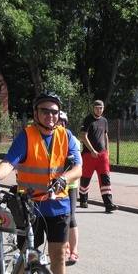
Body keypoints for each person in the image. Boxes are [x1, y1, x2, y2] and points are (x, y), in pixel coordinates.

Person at [0, 92, 82, 274]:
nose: (50, 115)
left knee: (58, 256)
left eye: (54, 111)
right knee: (28, 254)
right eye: (45, 110)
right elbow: (10, 161)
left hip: (58, 206)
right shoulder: (26, 135)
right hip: (29, 206)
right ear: (36, 113)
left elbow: (78, 167)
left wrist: (63, 179)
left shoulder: (66, 136)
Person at [79, 99, 117, 213]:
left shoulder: (104, 121)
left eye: (101, 108)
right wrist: (91, 150)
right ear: (93, 108)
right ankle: (83, 199)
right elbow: (84, 136)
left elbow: (106, 136)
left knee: (105, 178)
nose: (99, 110)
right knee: (86, 178)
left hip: (102, 156)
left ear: (103, 109)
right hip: (89, 155)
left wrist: (107, 152)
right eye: (97, 108)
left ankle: (108, 204)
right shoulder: (88, 120)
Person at [58, 111, 80, 265]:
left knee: (70, 217)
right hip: (53, 185)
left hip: (70, 185)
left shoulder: (73, 140)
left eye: (61, 122)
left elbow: (77, 166)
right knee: (57, 218)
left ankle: (74, 250)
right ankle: (63, 245)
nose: (59, 124)